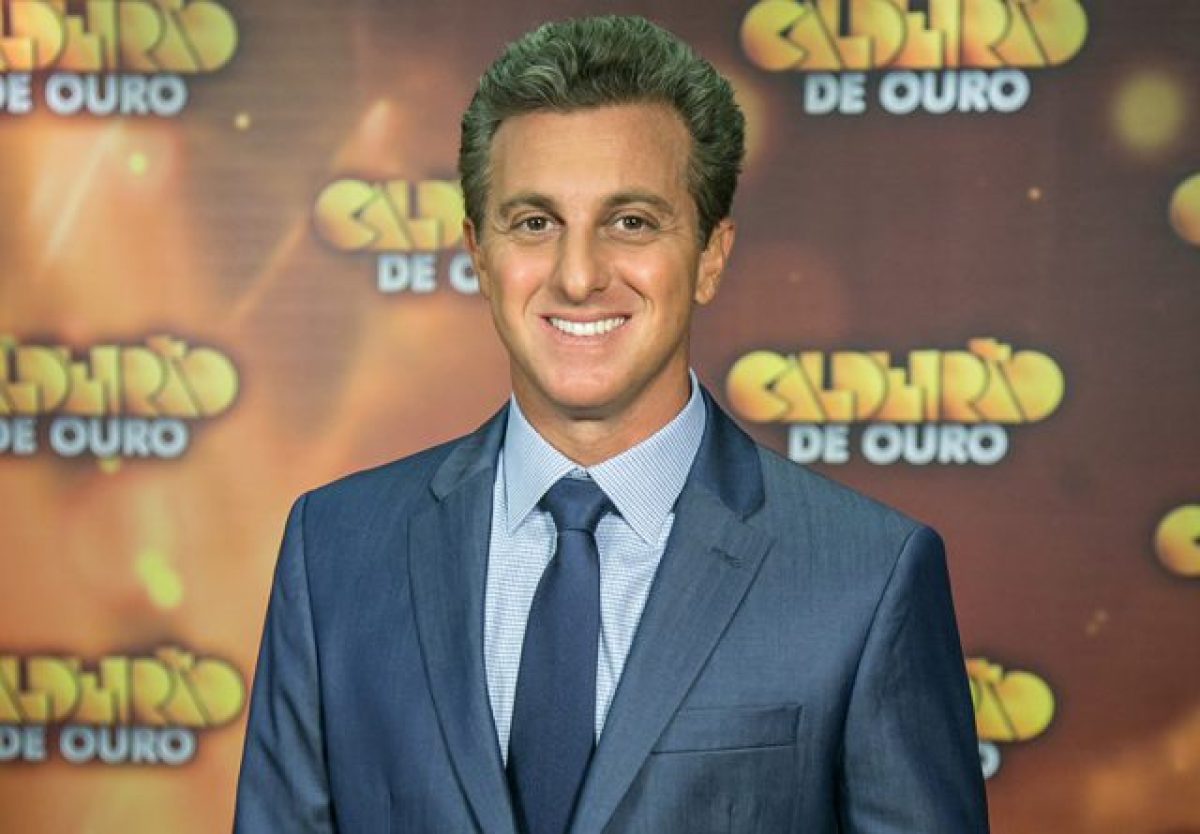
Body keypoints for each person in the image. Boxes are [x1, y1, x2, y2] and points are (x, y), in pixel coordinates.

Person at [234, 15, 988, 834]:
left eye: (630, 221)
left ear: (711, 256)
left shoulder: (867, 577)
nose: (579, 275)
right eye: (535, 223)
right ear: (479, 254)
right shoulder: (335, 551)